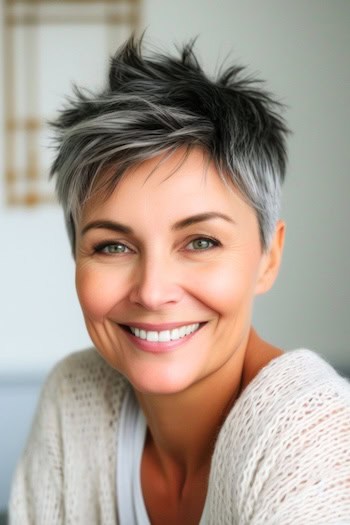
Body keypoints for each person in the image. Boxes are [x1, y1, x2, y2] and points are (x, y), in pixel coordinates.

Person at [10, 36, 350, 525]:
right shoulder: (73, 399)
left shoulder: (314, 435)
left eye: (200, 242)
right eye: (113, 246)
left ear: (268, 257)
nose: (152, 291)